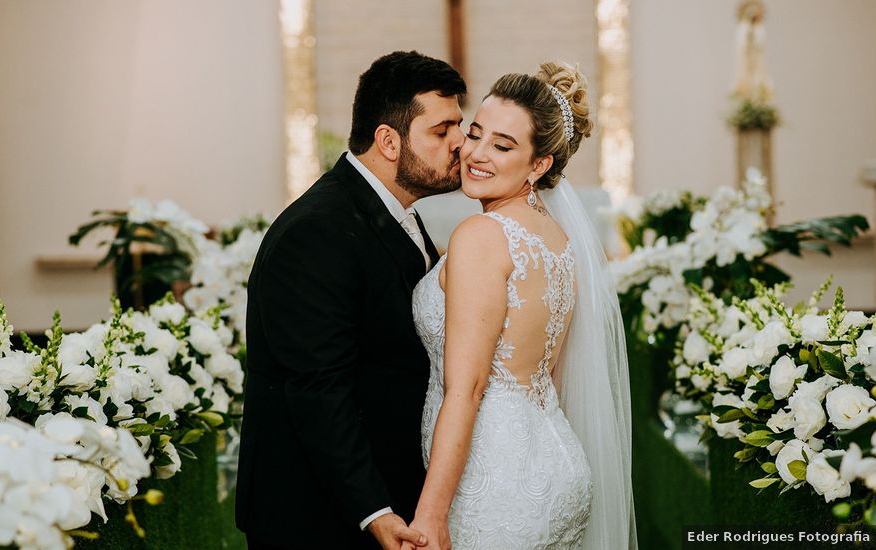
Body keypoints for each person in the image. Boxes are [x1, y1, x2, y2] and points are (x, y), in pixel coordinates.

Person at [236, 51, 466, 550]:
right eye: (442, 130)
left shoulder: (395, 210)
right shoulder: (317, 231)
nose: (460, 144)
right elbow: (317, 386)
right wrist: (375, 511)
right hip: (315, 512)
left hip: (378, 481)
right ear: (388, 140)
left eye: (460, 127)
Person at [407, 62, 637, 549]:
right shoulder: (558, 239)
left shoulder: (481, 236)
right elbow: (547, 373)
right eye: (475, 134)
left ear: (539, 165)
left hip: (493, 482)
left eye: (503, 145)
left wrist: (429, 515)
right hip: (557, 463)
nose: (477, 154)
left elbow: (466, 388)